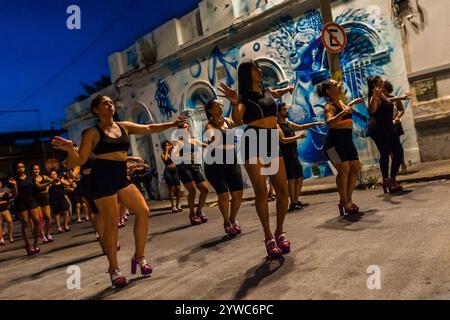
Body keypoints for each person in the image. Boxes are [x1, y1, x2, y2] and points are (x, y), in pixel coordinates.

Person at [52, 94, 185, 288]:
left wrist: (172, 123)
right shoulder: (92, 133)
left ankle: (139, 257)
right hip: (101, 178)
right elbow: (80, 160)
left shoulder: (123, 126)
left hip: (121, 176)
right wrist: (69, 148)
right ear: (95, 110)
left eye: (111, 103)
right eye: (104, 103)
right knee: (112, 224)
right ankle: (114, 268)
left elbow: (149, 128)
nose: (109, 105)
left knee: (143, 212)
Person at [218, 60, 292, 258]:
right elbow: (236, 121)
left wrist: (288, 88)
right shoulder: (243, 97)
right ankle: (268, 236)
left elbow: (277, 95)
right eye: (254, 68)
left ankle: (280, 231)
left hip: (271, 140)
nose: (259, 70)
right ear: (246, 73)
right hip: (253, 140)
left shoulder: (266, 91)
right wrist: (234, 103)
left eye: (259, 68)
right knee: (261, 191)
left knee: (282, 189)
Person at [317, 79, 363, 216]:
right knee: (344, 170)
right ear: (328, 91)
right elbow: (330, 123)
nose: (339, 85)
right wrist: (343, 113)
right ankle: (346, 202)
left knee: (355, 168)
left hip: (347, 142)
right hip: (333, 145)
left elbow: (345, 113)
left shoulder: (341, 102)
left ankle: (347, 199)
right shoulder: (329, 107)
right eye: (335, 85)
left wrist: (352, 103)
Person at [204, 99, 244, 235]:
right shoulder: (209, 126)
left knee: (238, 193)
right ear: (210, 110)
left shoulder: (227, 121)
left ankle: (233, 219)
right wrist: (220, 129)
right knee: (224, 194)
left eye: (220, 105)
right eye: (216, 106)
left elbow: (240, 127)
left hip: (231, 161)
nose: (220, 108)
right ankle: (226, 221)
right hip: (215, 164)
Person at [277, 102, 324, 211]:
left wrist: (315, 124)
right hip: (286, 156)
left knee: (300, 177)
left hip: (294, 155)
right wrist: (298, 137)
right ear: (278, 113)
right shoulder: (278, 126)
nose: (287, 111)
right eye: (284, 110)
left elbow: (301, 126)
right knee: (292, 179)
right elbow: (283, 141)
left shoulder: (288, 123)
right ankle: (292, 202)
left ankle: (296, 200)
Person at [368, 76, 405, 194]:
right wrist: (374, 97)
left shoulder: (383, 95)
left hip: (389, 127)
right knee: (385, 153)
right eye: (380, 81)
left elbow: (391, 101)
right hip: (378, 129)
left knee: (398, 152)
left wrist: (402, 97)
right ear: (375, 85)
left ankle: (393, 178)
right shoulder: (374, 97)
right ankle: (386, 180)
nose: (383, 82)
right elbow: (372, 110)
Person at [174, 123, 209, 226]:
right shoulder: (179, 142)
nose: (186, 128)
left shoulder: (193, 140)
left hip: (194, 167)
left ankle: (199, 211)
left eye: (187, 126)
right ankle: (192, 214)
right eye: (184, 127)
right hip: (184, 167)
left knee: (205, 189)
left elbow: (205, 145)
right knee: (192, 190)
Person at [12, 162, 41, 255]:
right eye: (18, 167)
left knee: (37, 221)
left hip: (31, 201)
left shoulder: (30, 177)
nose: (20, 169)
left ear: (24, 168)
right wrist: (14, 185)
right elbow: (15, 195)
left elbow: (37, 188)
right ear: (16, 169)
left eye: (22, 167)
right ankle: (28, 246)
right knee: (25, 223)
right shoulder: (13, 179)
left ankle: (36, 242)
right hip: (21, 202)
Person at [383, 80, 410, 174]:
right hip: (386, 125)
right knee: (389, 147)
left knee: (397, 145)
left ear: (387, 89)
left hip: (395, 124)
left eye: (383, 89)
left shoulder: (394, 98)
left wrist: (397, 117)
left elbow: (401, 110)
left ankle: (402, 164)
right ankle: (396, 166)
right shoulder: (380, 100)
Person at [31, 164, 54, 243]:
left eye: (37, 169)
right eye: (34, 169)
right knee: (40, 219)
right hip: (35, 200)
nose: (36, 170)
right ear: (31, 171)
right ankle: (43, 236)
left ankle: (48, 234)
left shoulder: (44, 177)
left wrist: (48, 187)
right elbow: (40, 186)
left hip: (44, 199)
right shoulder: (31, 179)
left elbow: (52, 181)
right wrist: (48, 184)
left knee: (48, 217)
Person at [161, 141, 182, 213]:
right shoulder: (163, 154)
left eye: (168, 145)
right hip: (168, 172)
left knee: (178, 188)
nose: (167, 146)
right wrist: (167, 151)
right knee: (171, 189)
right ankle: (173, 206)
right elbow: (166, 159)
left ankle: (178, 204)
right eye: (165, 146)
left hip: (176, 171)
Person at [0, 178, 16, 245]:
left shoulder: (5, 190)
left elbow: (13, 195)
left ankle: (10, 236)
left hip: (5, 209)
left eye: (0, 183)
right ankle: (1, 239)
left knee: (10, 221)